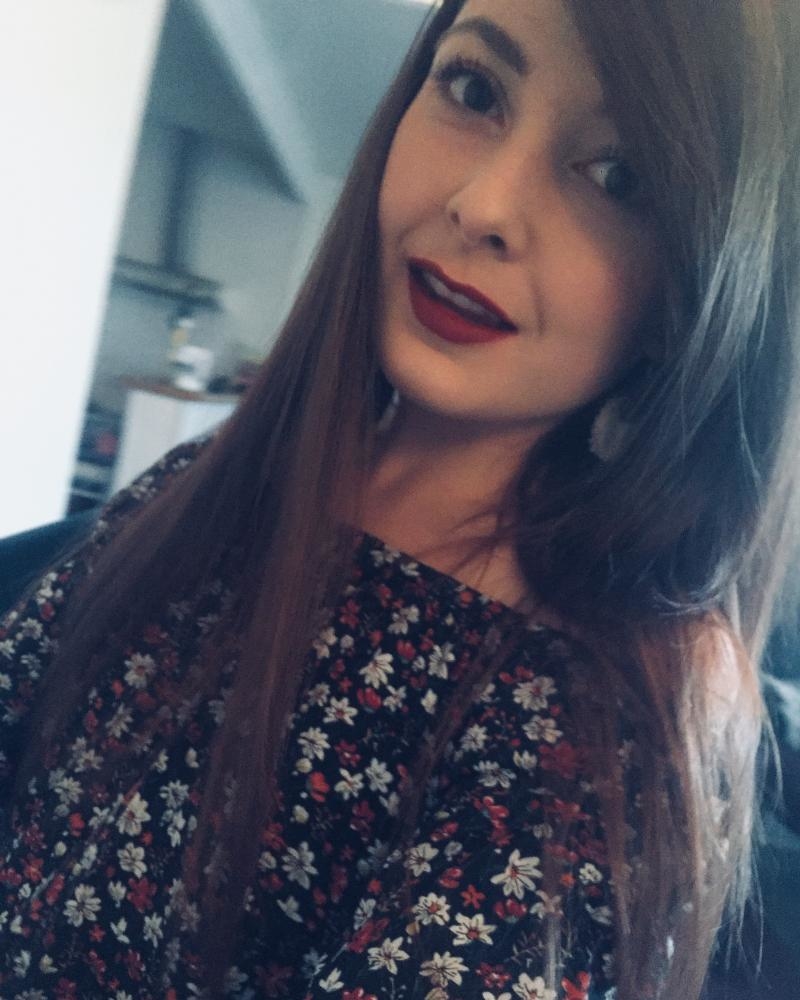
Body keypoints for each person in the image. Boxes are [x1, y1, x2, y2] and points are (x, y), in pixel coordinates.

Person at [1, 0, 798, 997]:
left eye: (617, 176)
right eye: (473, 88)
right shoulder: (244, 475)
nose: (482, 203)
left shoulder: (616, 699)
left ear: (702, 290)